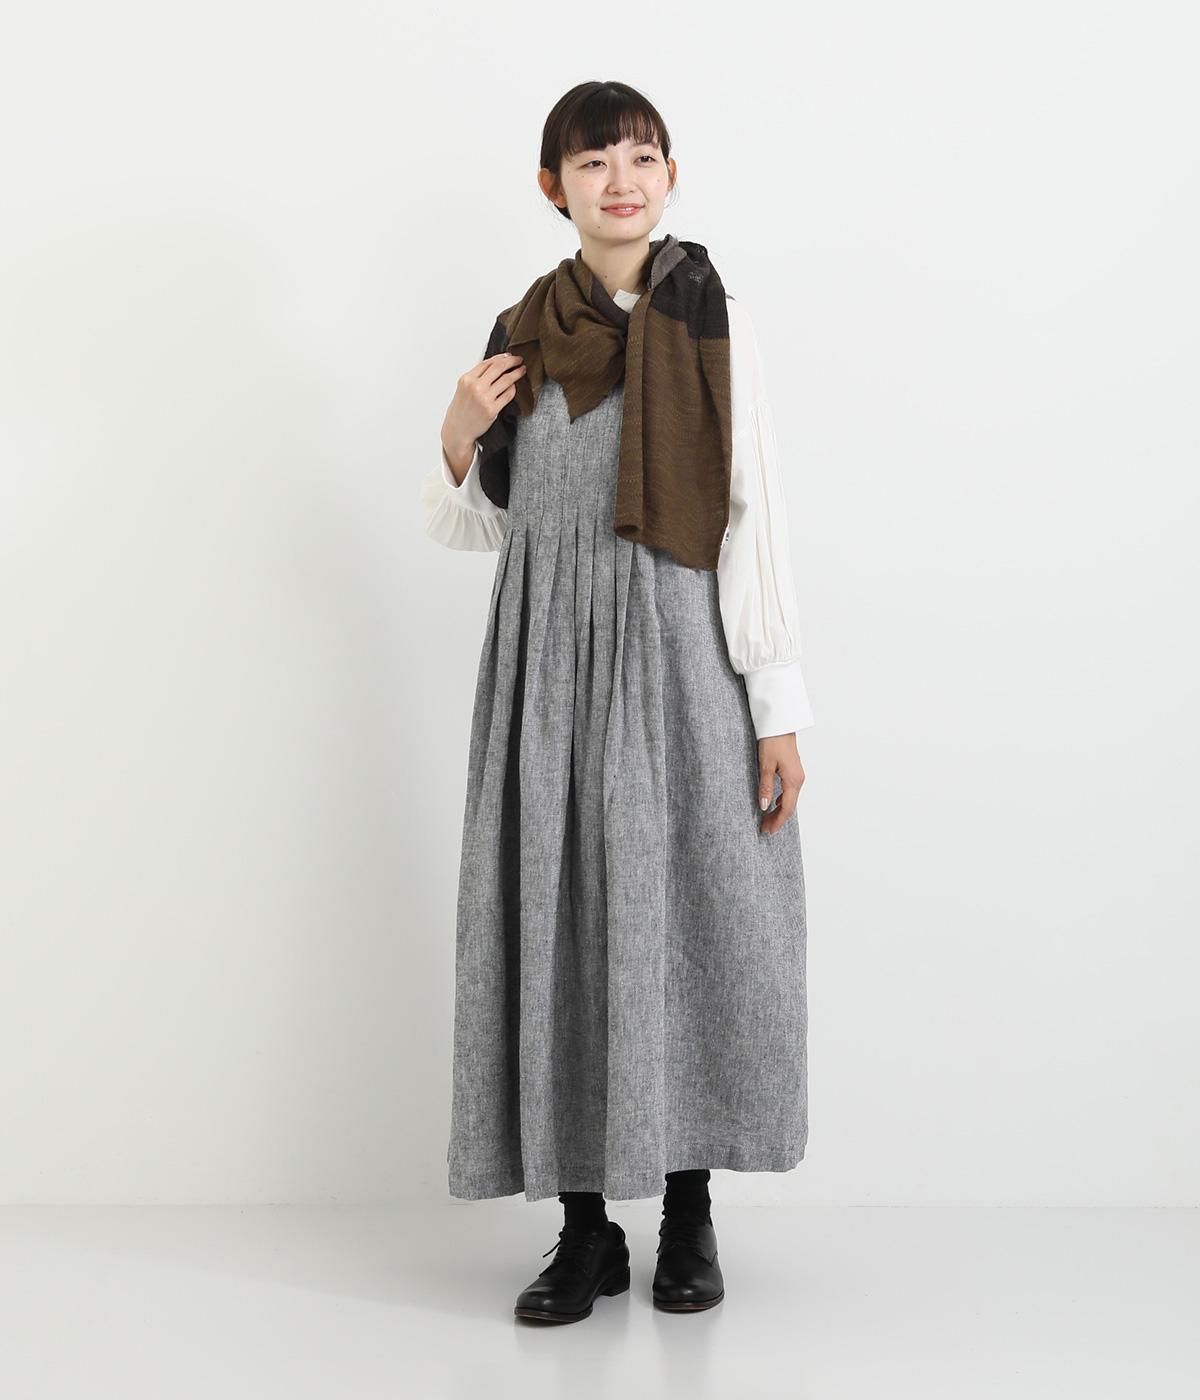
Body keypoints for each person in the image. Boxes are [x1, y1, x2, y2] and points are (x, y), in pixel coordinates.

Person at [419, 80, 814, 1324]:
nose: (621, 180)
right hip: (548, 664)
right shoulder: (522, 331)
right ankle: (585, 1228)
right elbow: (488, 526)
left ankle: (689, 1208)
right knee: (562, 918)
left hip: (682, 653)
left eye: (641, 156)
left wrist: (776, 704)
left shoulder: (711, 320)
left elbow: (754, 514)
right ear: (556, 188)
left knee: (688, 911)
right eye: (593, 162)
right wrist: (455, 435)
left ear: (671, 173)